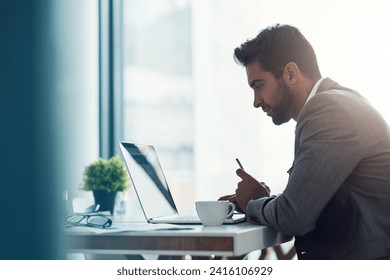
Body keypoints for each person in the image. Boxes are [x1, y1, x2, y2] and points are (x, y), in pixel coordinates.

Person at [220, 24, 390, 260]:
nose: (256, 102)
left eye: (259, 86)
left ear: (290, 73)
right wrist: (262, 200)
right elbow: (306, 202)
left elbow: (294, 217)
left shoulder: (327, 110)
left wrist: (252, 201)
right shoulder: (342, 100)